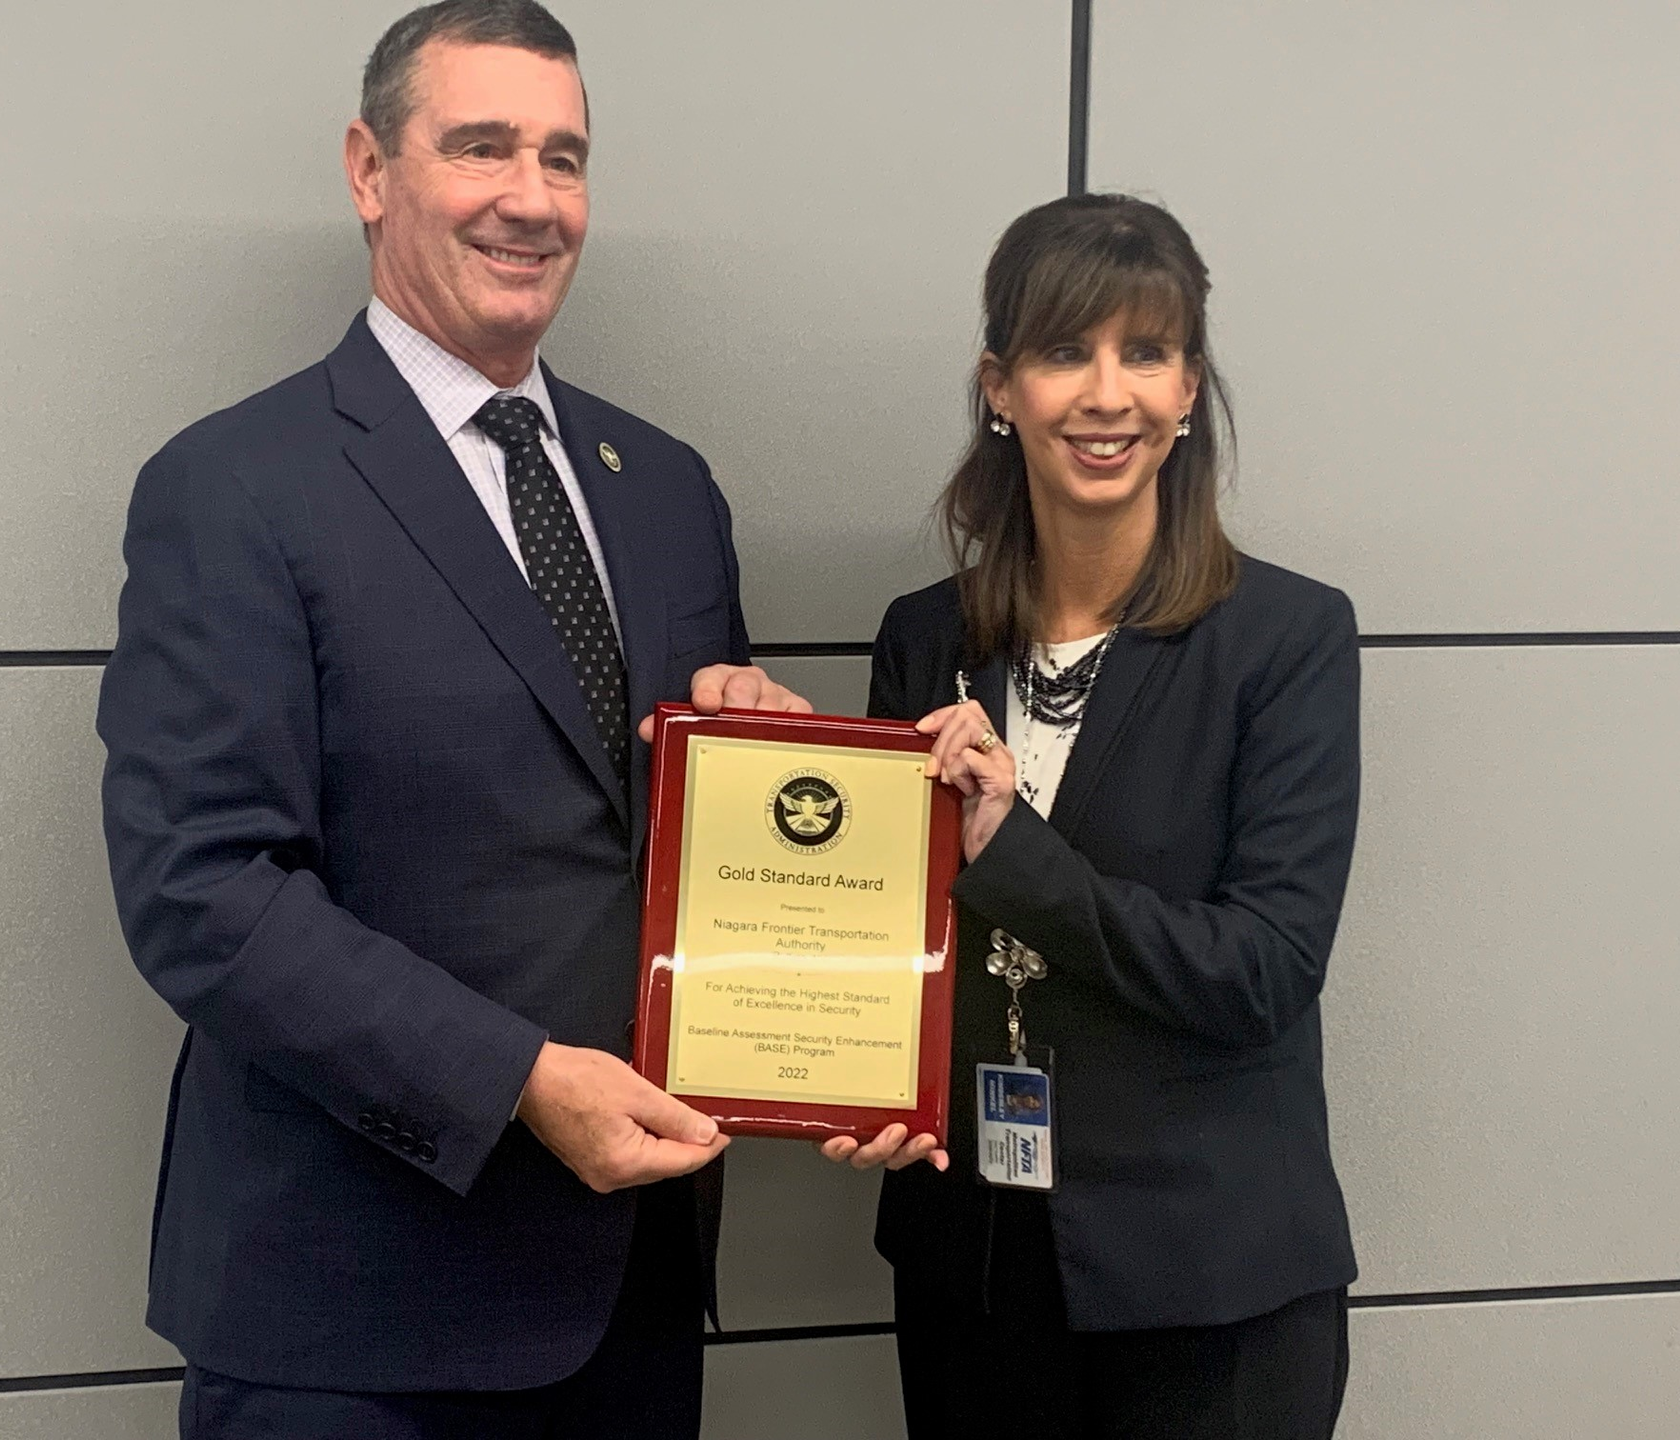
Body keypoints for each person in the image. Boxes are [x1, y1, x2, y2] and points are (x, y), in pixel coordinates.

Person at [95, 3, 808, 1435]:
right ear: (371, 169)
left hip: (631, 1309)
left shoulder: (665, 491)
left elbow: (682, 863)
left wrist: (834, 1025)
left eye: (565, 157)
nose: (531, 199)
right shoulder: (237, 487)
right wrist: (516, 1082)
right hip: (355, 1323)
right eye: (481, 148)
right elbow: (201, 893)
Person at [822, 194, 1360, 1439]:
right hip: (976, 1269)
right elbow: (890, 938)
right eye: (1066, 351)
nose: (1105, 393)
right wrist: (848, 1079)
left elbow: (1263, 973)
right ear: (1000, 387)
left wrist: (1014, 853)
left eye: (1147, 352)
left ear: (1187, 391)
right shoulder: (926, 639)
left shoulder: (1286, 641)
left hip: (1209, 1287)